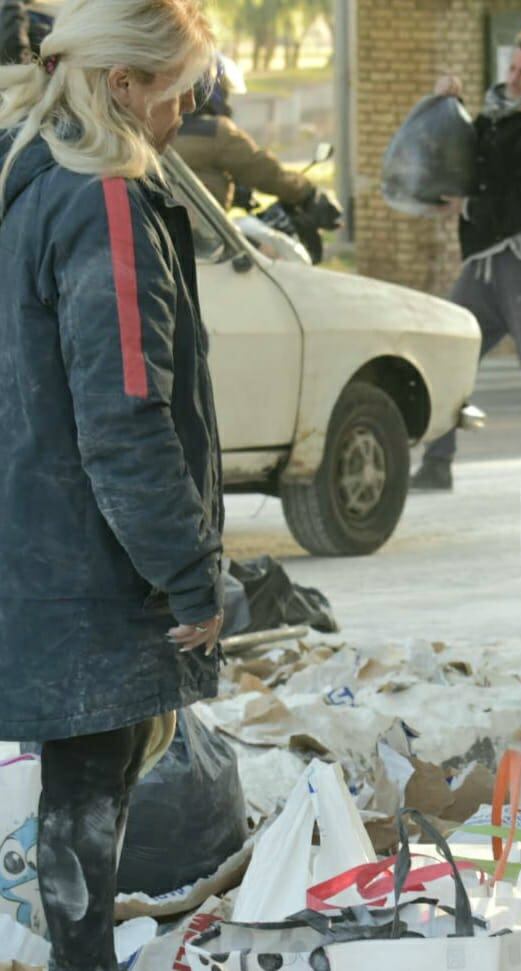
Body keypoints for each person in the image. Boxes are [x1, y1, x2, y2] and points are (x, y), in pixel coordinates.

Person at [0, 0, 224, 966]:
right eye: (182, 92)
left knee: (75, 812)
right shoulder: (101, 199)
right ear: (125, 85)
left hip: (36, 548)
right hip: (88, 570)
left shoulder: (26, 174)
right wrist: (192, 572)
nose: (187, 115)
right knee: (86, 814)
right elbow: (127, 415)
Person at [411, 26, 521, 493]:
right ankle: (436, 464)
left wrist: (465, 208)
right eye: (512, 67)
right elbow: (475, 150)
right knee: (452, 357)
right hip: (486, 259)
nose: (514, 77)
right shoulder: (504, 114)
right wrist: (449, 103)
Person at [173, 55, 315, 212]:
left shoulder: (162, 128)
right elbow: (261, 170)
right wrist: (306, 191)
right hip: (201, 233)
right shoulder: (215, 132)